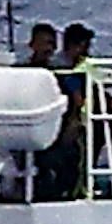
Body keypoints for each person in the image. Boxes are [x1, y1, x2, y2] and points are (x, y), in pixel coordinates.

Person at [35, 22, 98, 202]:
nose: (48, 49)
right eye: (45, 43)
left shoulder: (62, 70)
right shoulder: (30, 71)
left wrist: (74, 123)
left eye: (51, 44)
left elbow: (77, 101)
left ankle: (70, 190)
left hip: (61, 125)